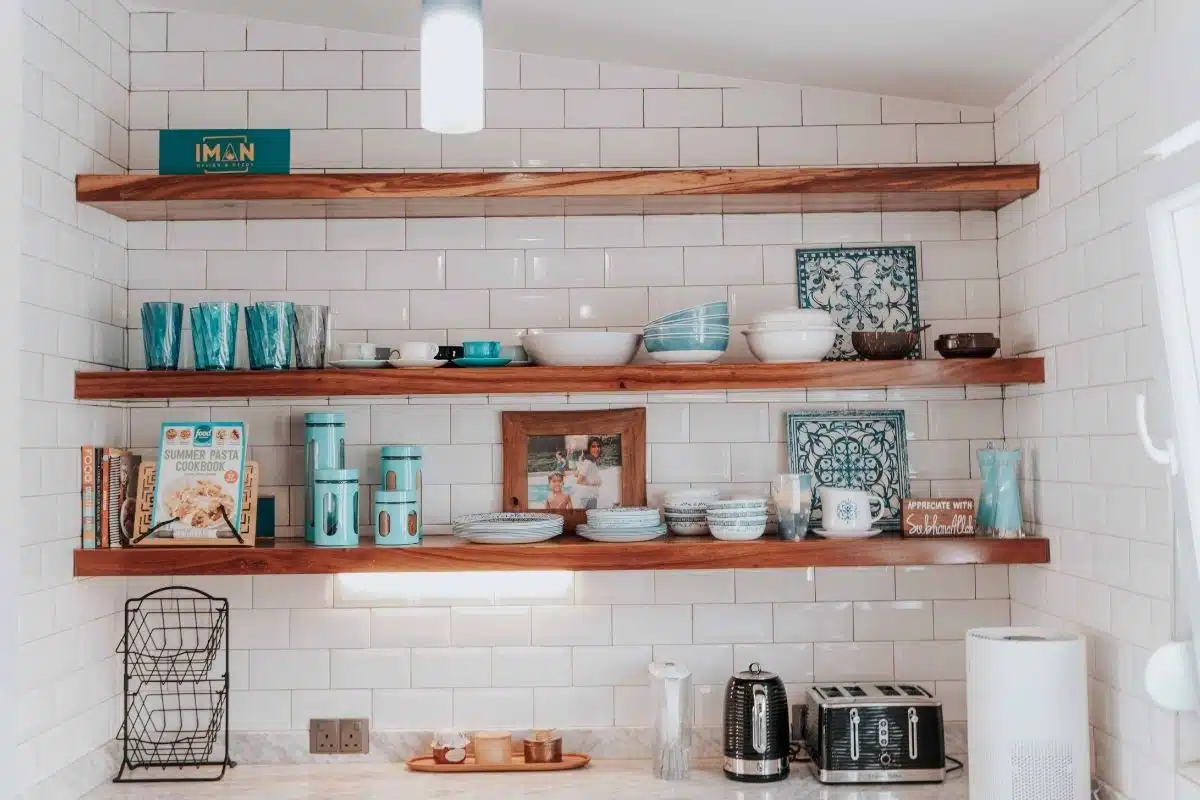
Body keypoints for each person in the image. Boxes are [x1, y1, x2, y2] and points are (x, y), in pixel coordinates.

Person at [573, 437, 604, 510]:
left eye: (598, 446)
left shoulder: (591, 462)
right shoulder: (588, 463)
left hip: (591, 496)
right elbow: (579, 481)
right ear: (588, 449)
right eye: (593, 446)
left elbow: (576, 474)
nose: (597, 449)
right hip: (587, 497)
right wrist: (593, 483)